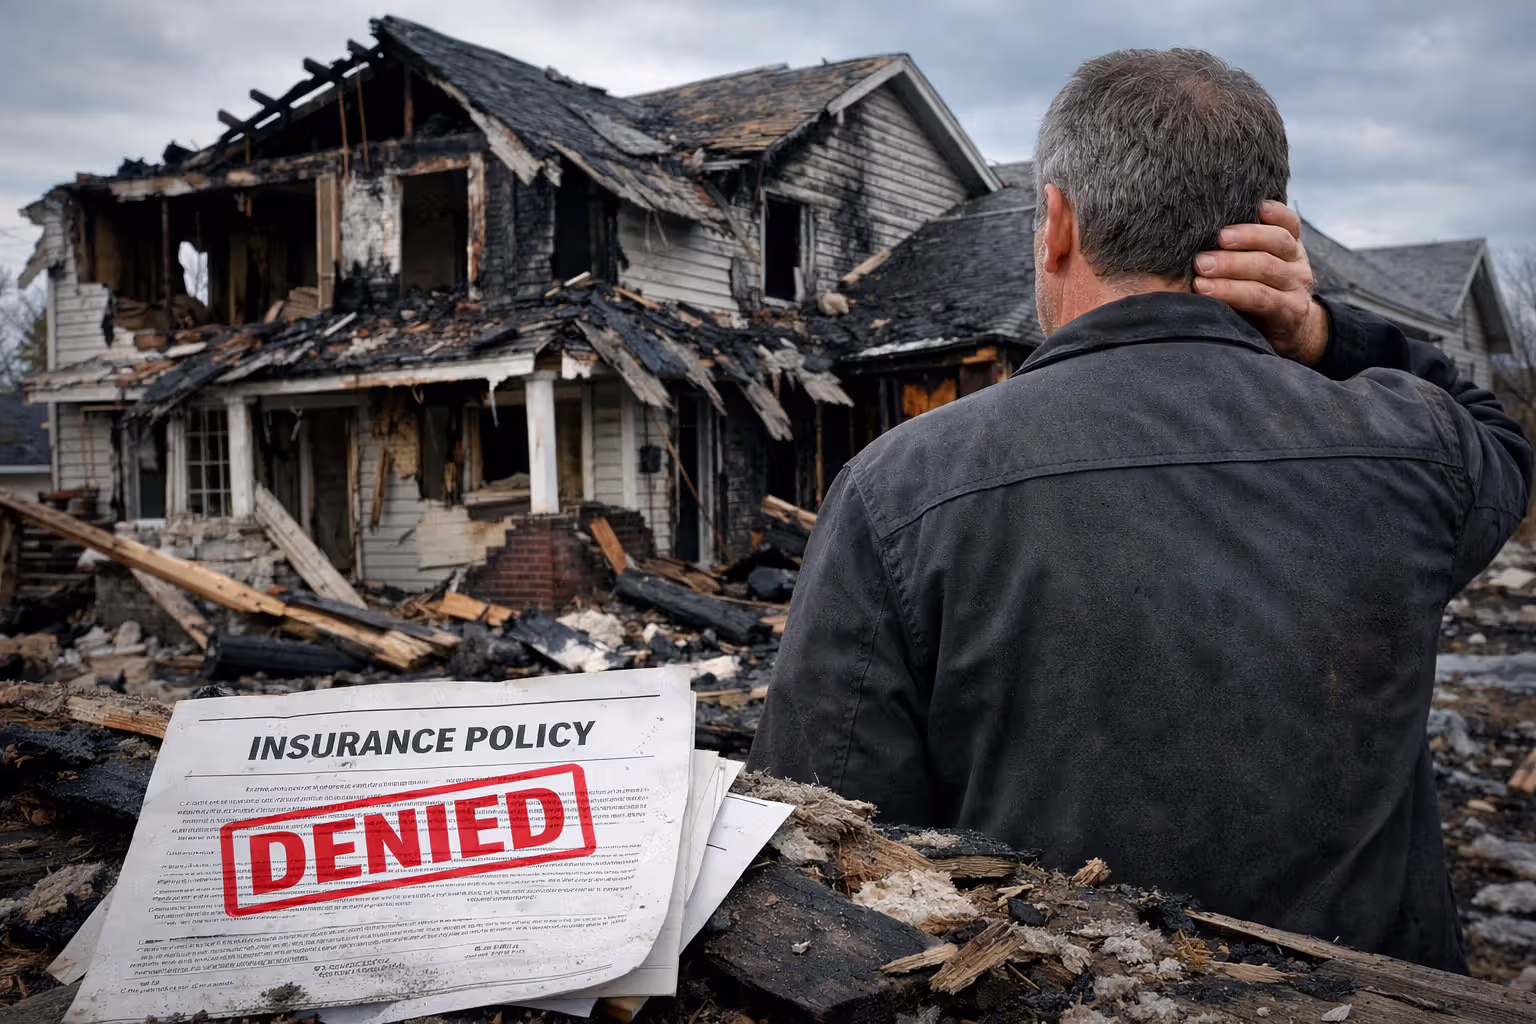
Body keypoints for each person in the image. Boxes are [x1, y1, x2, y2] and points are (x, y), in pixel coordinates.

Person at [746, 48, 1532, 972]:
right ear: (1268, 234)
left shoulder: (899, 489)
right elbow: (1499, 438)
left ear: (1056, 224)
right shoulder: (1408, 449)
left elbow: (828, 846)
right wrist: (1324, 334)